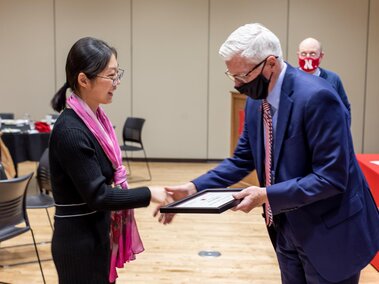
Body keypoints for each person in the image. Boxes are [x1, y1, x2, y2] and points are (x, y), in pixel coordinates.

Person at [158, 24, 379, 283]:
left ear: (270, 63)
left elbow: (331, 177)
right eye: (232, 76)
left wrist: (265, 195)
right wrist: (194, 187)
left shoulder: (318, 98)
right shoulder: (256, 102)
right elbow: (242, 159)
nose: (238, 84)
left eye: (242, 76)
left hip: (330, 231)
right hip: (286, 226)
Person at [49, 37, 167, 284]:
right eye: (111, 76)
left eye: (117, 74)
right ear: (83, 80)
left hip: (95, 233)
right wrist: (149, 193)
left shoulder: (96, 122)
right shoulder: (71, 130)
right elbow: (99, 195)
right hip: (78, 243)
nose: (117, 83)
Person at [297, 37, 351, 115]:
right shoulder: (289, 78)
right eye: (304, 54)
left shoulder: (333, 79)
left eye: (312, 54)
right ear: (298, 55)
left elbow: (345, 110)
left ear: (321, 56)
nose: (308, 57)